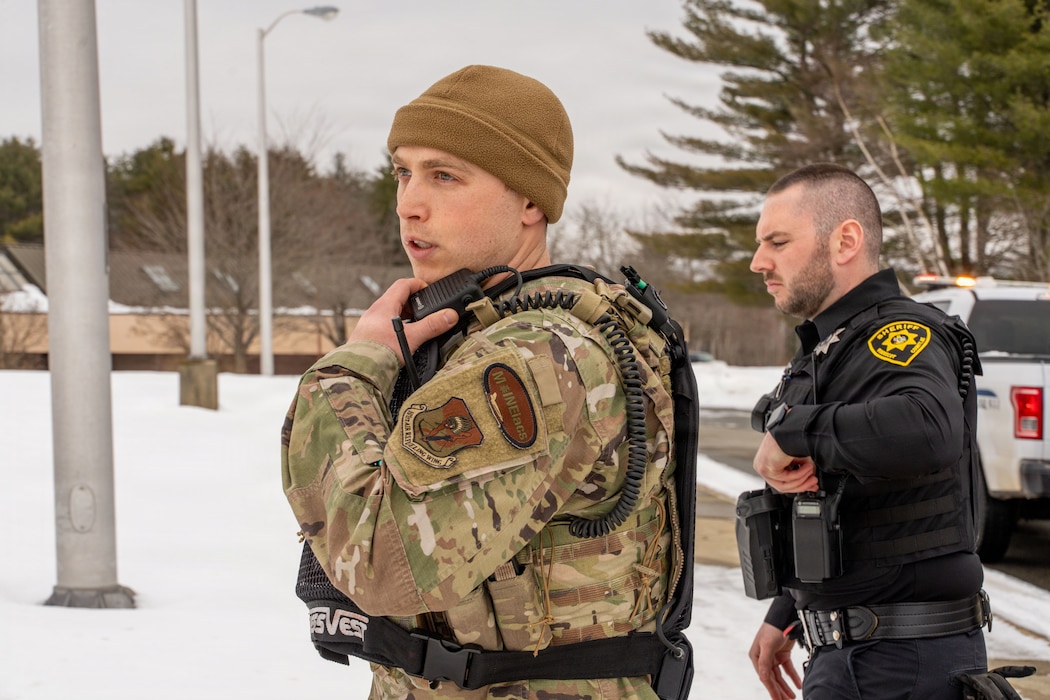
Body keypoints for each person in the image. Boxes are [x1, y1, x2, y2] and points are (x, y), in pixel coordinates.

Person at [281, 65, 695, 699]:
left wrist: (355, 364)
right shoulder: (489, 333)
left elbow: (380, 558)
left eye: (444, 176)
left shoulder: (534, 357)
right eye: (402, 172)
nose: (408, 203)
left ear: (531, 201)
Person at [745, 163, 989, 700]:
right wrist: (788, 611)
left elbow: (929, 426)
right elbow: (846, 498)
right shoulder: (835, 347)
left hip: (901, 662)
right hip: (857, 654)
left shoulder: (899, 333)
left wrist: (795, 430)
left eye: (778, 242)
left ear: (845, 240)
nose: (759, 261)